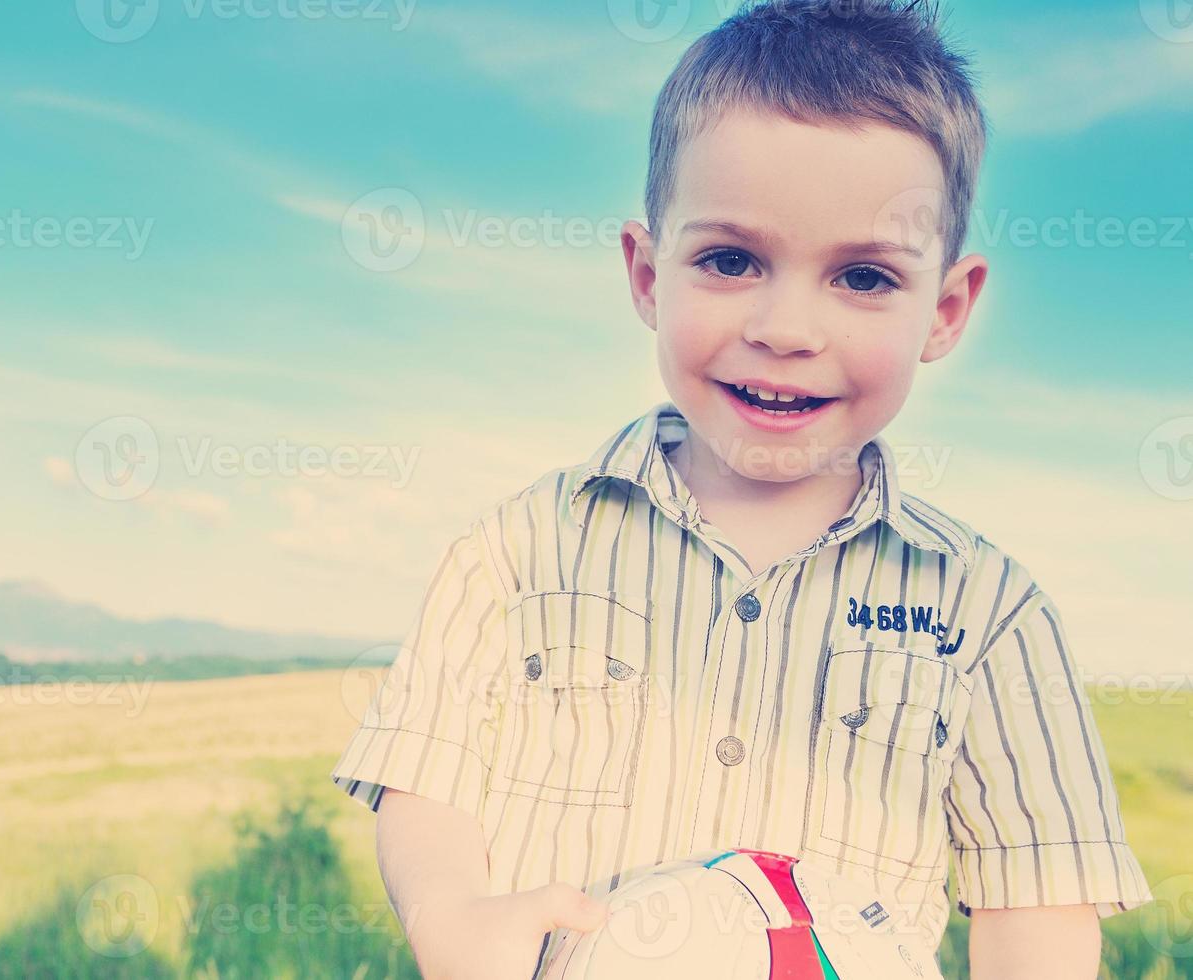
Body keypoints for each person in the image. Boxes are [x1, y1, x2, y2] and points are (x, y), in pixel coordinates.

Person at [329, 2, 1152, 976]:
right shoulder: (515, 550)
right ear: (647, 272)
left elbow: (1039, 898)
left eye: (863, 276)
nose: (787, 326)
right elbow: (426, 772)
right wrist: (451, 910)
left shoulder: (989, 610)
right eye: (731, 259)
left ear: (946, 308)